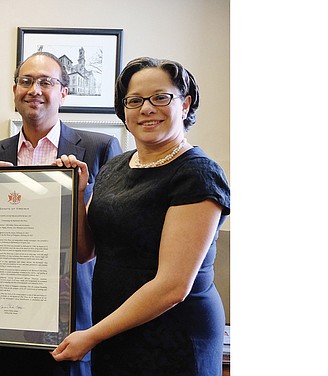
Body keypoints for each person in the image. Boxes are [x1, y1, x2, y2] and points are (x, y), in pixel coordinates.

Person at [51, 57, 230, 376]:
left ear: (185, 104)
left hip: (173, 336)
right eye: (134, 100)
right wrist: (78, 195)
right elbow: (84, 252)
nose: (147, 108)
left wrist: (92, 335)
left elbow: (173, 286)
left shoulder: (198, 175)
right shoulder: (115, 167)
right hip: (114, 331)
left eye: (161, 97)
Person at [0, 51, 122, 376]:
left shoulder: (100, 150)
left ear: (63, 92)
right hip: (7, 320)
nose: (34, 89)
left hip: (73, 324)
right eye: (26, 81)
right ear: (14, 91)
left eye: (45, 82)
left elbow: (105, 244)